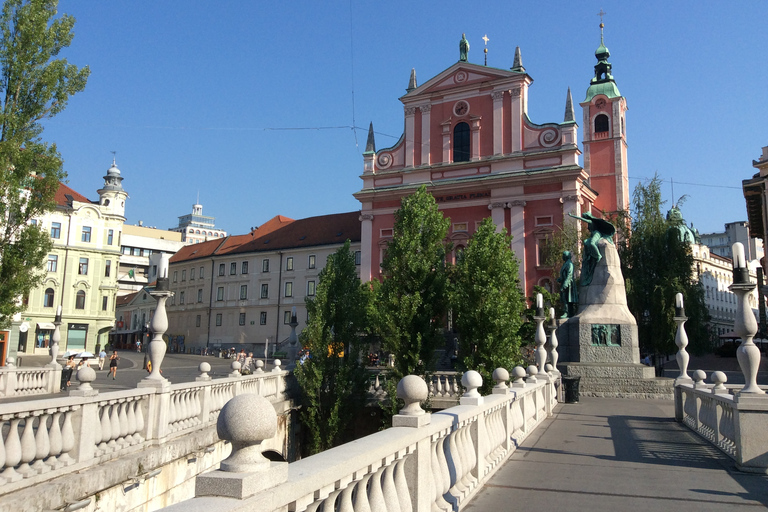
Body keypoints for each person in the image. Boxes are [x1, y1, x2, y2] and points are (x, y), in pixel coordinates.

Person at [557, 250, 578, 318]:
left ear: (565, 256)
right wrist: (560, 279)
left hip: (569, 284)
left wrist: (565, 285)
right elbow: (564, 274)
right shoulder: (566, 263)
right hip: (565, 282)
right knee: (566, 298)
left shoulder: (569, 264)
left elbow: (569, 275)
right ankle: (569, 312)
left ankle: (567, 312)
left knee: (567, 298)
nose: (562, 257)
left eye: (563, 255)